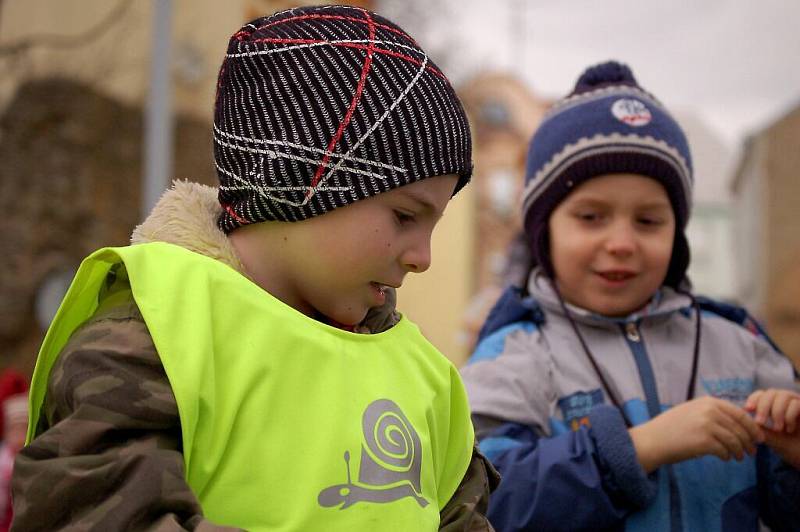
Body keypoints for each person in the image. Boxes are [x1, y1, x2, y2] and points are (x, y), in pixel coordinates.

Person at [12, 6, 497, 531]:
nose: (422, 257)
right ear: (301, 182)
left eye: (432, 225)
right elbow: (94, 511)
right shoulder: (152, 336)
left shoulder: (428, 381)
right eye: (404, 215)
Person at [460, 60, 800, 531]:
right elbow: (484, 500)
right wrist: (639, 449)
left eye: (648, 221)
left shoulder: (743, 347)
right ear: (544, 233)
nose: (622, 243)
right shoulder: (515, 356)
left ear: (676, 234)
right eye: (591, 217)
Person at [0, 370, 28, 532]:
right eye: (14, 431)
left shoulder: (33, 454)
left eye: (23, 429)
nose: (18, 437)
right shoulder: (3, 461)